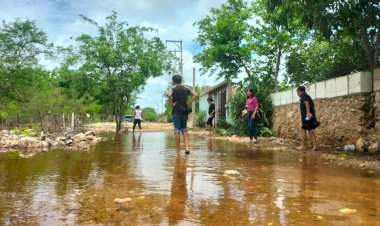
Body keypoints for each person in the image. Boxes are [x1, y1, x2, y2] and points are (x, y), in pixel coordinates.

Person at [168, 74, 198, 154]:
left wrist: (172, 104)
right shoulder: (186, 88)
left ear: (173, 81)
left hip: (176, 111)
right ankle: (187, 147)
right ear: (181, 81)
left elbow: (169, 95)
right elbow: (195, 95)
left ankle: (178, 151)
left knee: (177, 129)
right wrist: (189, 103)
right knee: (184, 128)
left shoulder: (172, 88)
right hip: (185, 111)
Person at [296, 86, 318, 151]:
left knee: (303, 129)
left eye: (297, 92)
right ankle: (315, 146)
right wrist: (313, 115)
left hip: (307, 117)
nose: (297, 94)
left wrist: (308, 113)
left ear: (299, 91)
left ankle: (303, 145)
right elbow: (312, 106)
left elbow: (306, 103)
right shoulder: (308, 96)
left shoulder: (303, 95)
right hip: (310, 116)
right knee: (310, 130)